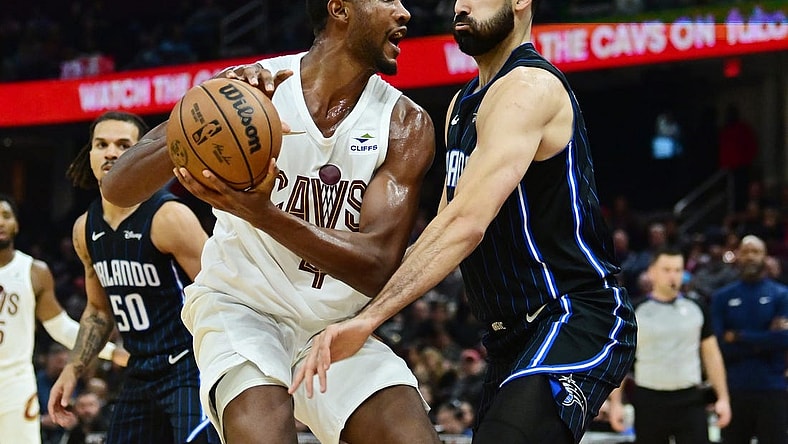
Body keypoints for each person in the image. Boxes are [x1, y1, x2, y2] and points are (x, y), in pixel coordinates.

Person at [292, 1, 638, 443]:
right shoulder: (462, 102)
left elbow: (466, 223)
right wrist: (349, 309)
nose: (461, 5)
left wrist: (368, 318)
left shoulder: (529, 86)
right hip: (507, 337)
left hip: (572, 314)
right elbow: (440, 229)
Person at [100, 2, 441, 443]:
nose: (405, 12)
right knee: (264, 429)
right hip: (242, 305)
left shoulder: (404, 124)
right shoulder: (250, 86)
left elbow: (376, 266)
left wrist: (261, 213)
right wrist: (202, 127)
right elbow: (118, 188)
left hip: (334, 326)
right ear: (339, 8)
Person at [47, 111, 217, 444]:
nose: (111, 152)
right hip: (139, 370)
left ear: (141, 155)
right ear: (91, 154)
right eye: (102, 144)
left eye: (124, 144)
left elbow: (225, 291)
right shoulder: (85, 227)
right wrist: (73, 368)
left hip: (188, 365)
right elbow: (98, 310)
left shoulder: (169, 216)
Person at [0, 193, 124, 444]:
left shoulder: (34, 271)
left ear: (16, 224)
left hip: (15, 387)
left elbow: (61, 328)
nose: (0, 222)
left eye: (5, 216)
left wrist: (111, 352)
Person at [607, 247, 731, 444]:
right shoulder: (635, 310)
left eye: (677, 270)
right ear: (652, 271)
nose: (673, 276)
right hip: (649, 400)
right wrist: (615, 403)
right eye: (666, 269)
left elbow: (711, 355)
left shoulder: (697, 308)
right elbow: (620, 358)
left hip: (690, 399)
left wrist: (722, 398)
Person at [711, 235, 788, 444]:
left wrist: (738, 336)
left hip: (773, 389)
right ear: (737, 256)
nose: (750, 256)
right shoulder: (722, 297)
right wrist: (765, 340)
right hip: (734, 390)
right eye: (745, 251)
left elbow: (783, 339)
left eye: (756, 252)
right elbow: (719, 346)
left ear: (765, 257)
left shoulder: (782, 295)